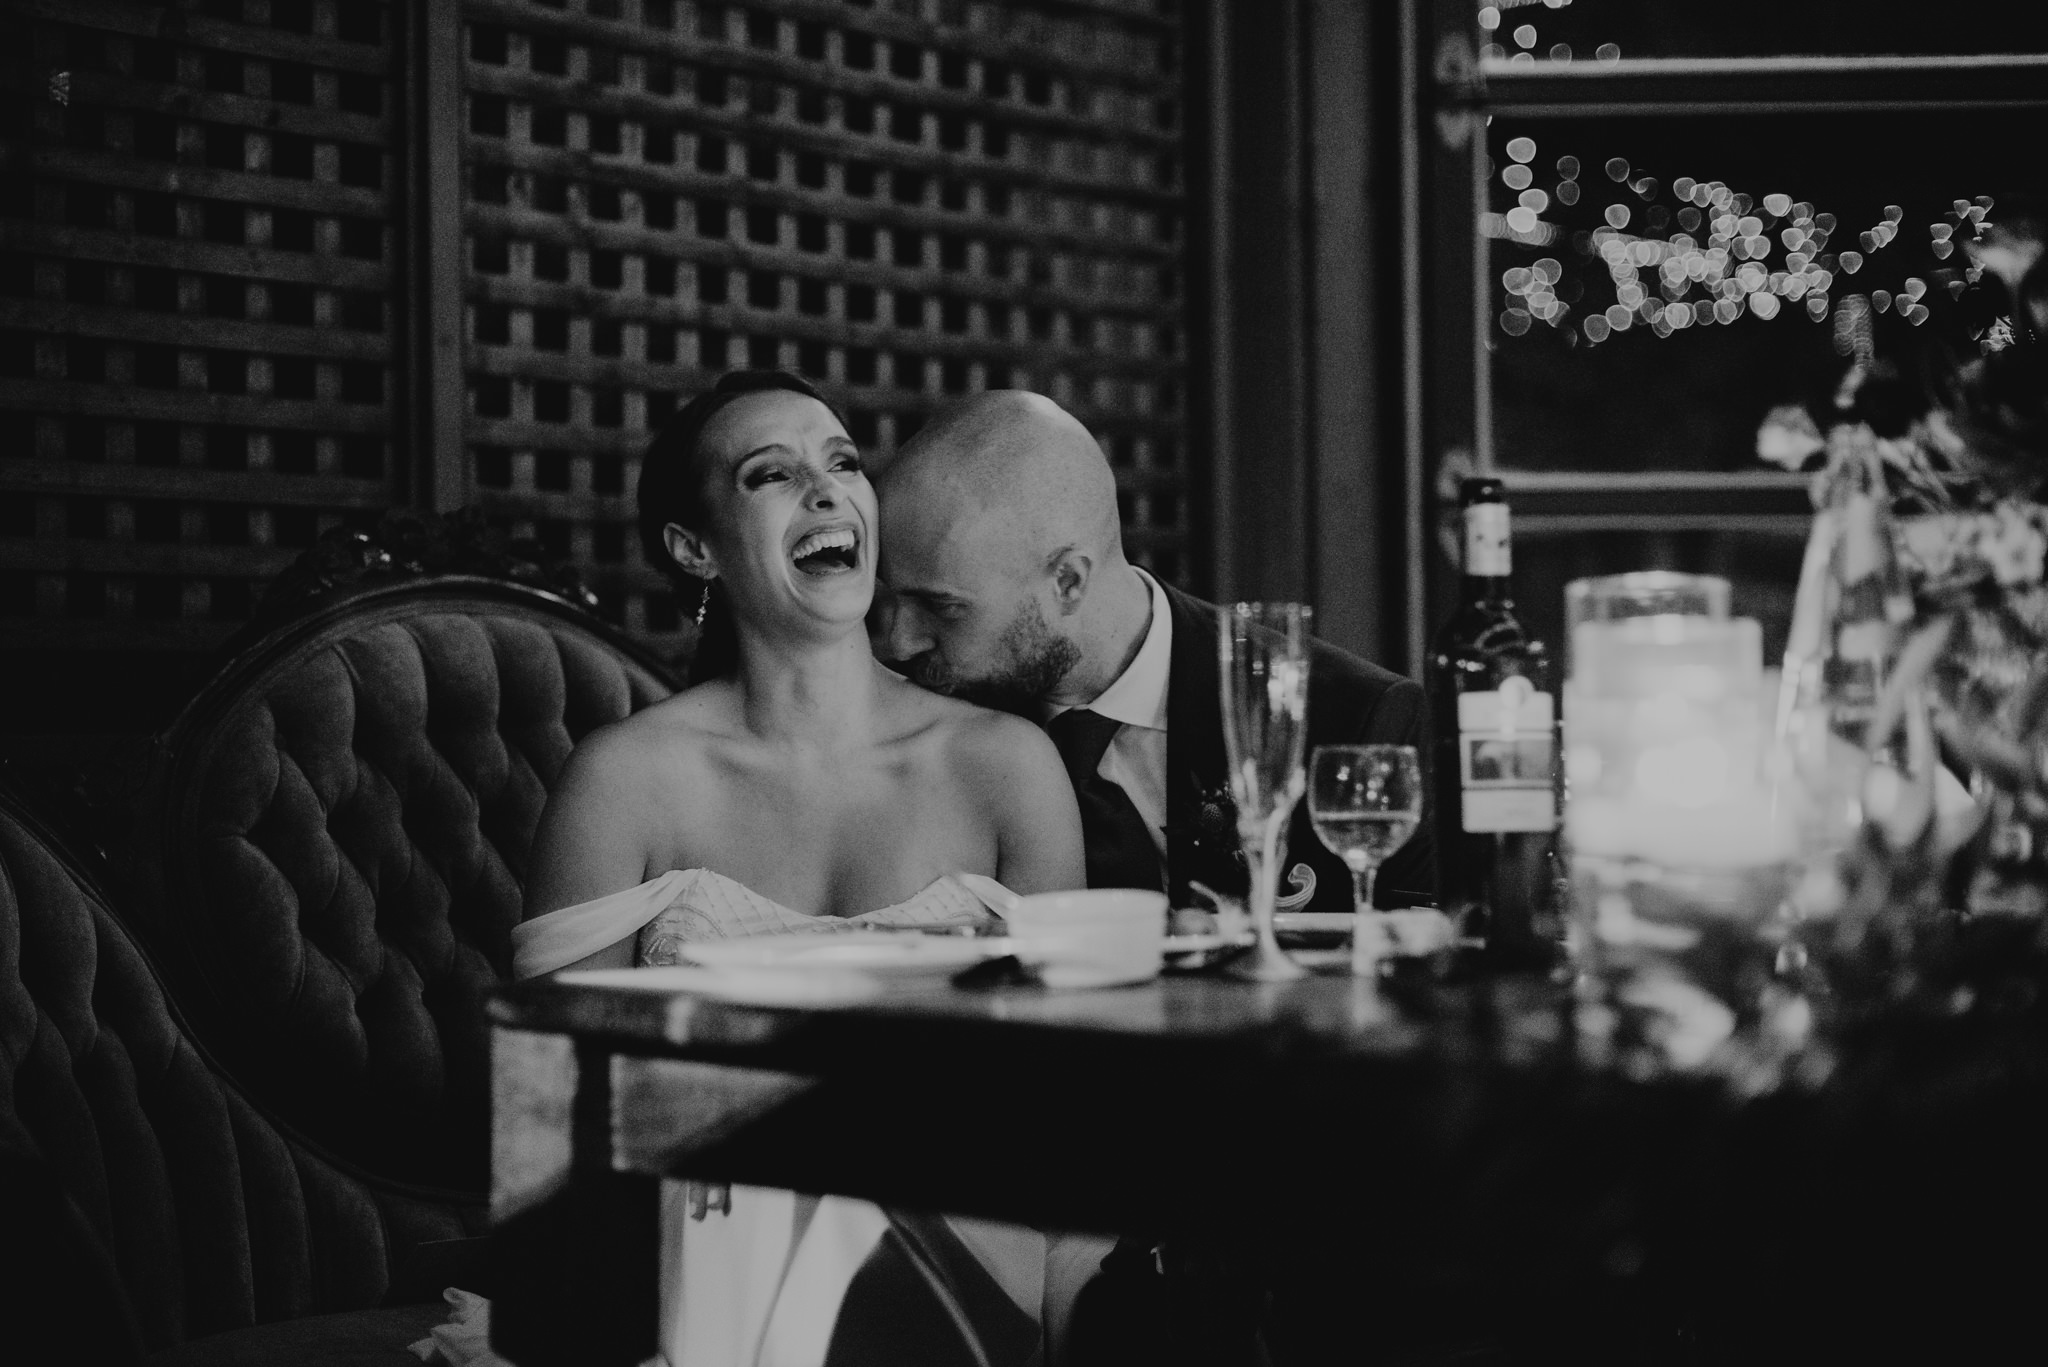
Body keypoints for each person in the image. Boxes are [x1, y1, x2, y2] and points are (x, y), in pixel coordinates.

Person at [501, 370, 1105, 1367]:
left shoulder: (1005, 766)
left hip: (972, 1295)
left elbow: (1073, 1111)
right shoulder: (627, 781)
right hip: (708, 1299)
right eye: (771, 475)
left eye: (842, 463)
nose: (827, 491)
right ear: (693, 549)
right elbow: (553, 1122)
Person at [871, 389, 1435, 919]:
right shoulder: (921, 731)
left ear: (1068, 582)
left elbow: (1416, 975)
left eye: (941, 608)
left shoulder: (1355, 721)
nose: (898, 642)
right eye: (889, 600)